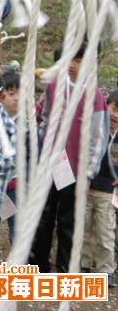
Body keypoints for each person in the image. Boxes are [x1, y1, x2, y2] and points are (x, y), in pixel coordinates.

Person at [29, 40, 109, 273]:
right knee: (43, 216)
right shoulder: (54, 87)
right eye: (70, 58)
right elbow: (42, 119)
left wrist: (87, 175)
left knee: (68, 221)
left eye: (79, 59)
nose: (73, 65)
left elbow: (98, 140)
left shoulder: (95, 97)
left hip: (74, 170)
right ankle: (38, 265)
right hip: (50, 165)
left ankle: (65, 269)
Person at [81, 89, 118, 288]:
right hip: (89, 187)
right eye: (113, 109)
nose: (116, 115)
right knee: (85, 228)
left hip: (108, 193)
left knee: (105, 232)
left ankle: (106, 269)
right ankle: (84, 264)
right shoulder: (97, 130)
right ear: (106, 107)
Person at [0, 70, 19, 262]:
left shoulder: (25, 123)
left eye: (19, 93)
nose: (14, 98)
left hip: (14, 187)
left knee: (17, 229)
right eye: (9, 93)